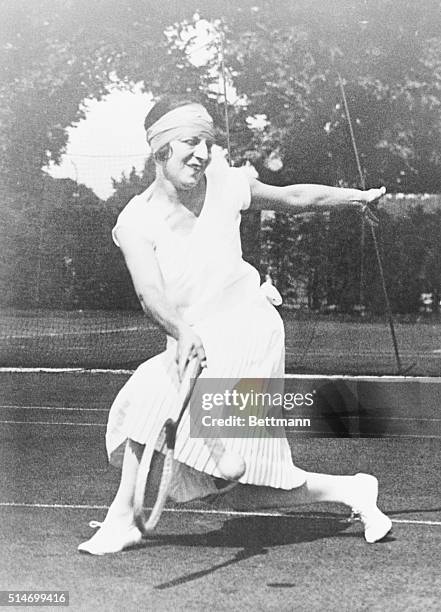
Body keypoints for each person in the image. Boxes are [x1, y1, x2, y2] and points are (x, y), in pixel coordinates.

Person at [78, 96, 391, 555]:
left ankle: (122, 517)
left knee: (148, 390)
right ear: (161, 148)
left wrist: (358, 198)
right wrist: (181, 332)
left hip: (251, 328)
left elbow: (294, 198)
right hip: (196, 340)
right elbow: (151, 295)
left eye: (207, 142)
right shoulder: (135, 221)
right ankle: (354, 490)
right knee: (239, 487)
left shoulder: (225, 184)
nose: (202, 153)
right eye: (191, 141)